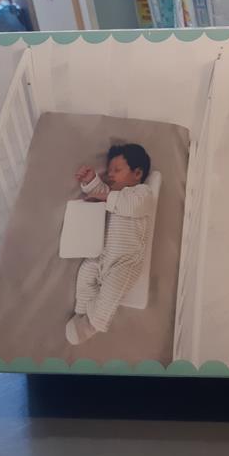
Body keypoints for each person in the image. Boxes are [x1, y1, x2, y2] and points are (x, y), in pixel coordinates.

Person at [66, 143, 153, 345]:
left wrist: (104, 196)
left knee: (110, 294)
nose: (110, 174)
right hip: (101, 256)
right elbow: (99, 192)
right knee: (86, 272)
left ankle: (92, 325)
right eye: (109, 171)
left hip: (125, 262)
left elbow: (132, 206)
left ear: (137, 173)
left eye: (117, 170)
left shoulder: (142, 193)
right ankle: (82, 311)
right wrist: (90, 180)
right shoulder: (110, 192)